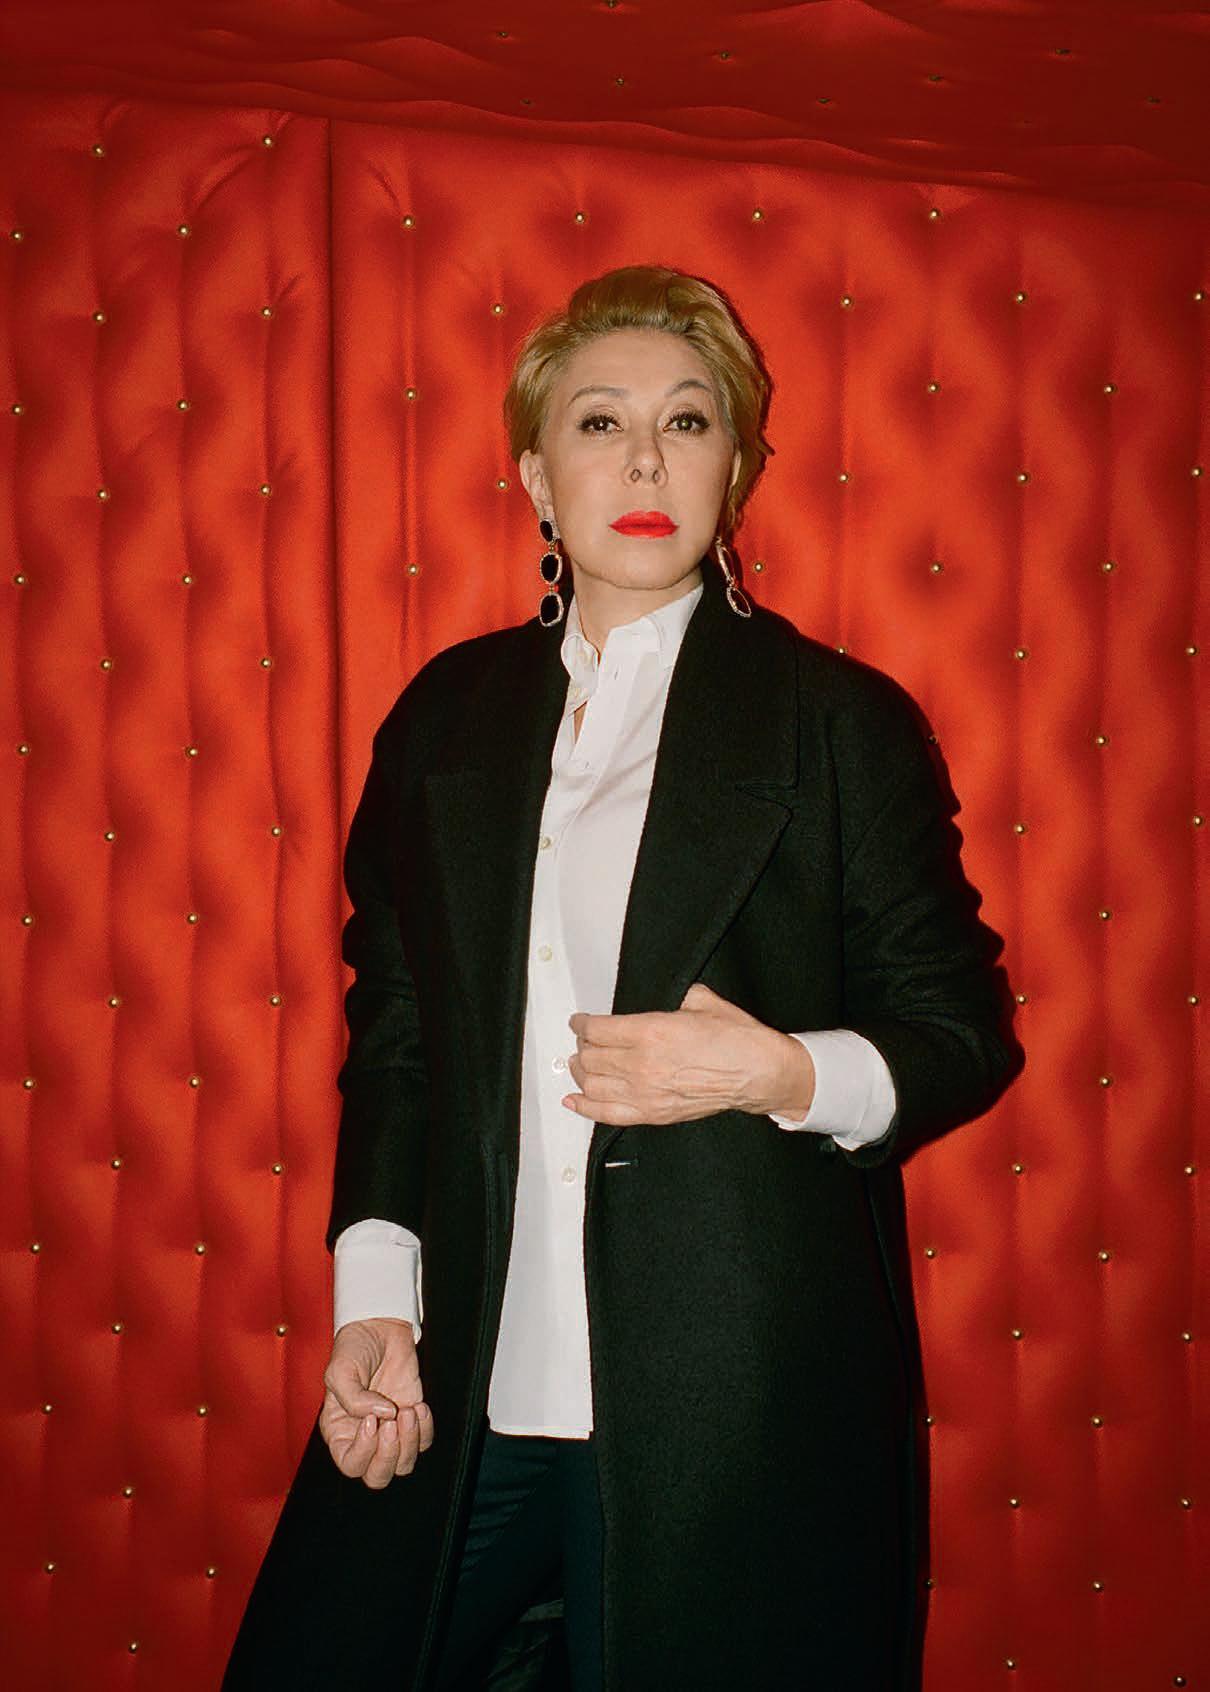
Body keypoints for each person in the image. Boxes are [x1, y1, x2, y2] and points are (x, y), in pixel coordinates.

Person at [224, 263, 1024, 1692]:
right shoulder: (445, 718)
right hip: (471, 1373)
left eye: (687, 421)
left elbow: (961, 1029)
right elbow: (397, 1031)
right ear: (537, 476)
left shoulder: (837, 722)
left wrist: (781, 1071)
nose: (645, 460)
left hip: (733, 1394)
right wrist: (375, 1299)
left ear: (736, 470)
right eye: (599, 423)